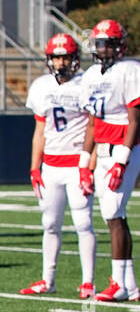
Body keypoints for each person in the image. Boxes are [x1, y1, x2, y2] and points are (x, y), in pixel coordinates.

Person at [20, 34, 96, 298]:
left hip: (77, 164)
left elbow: (94, 127)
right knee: (50, 223)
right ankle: (47, 279)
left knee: (83, 223)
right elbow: (39, 131)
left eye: (65, 57)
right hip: (51, 166)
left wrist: (89, 166)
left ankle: (88, 281)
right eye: (56, 57)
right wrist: (34, 167)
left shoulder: (87, 83)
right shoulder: (41, 86)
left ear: (75, 59)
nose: (60, 62)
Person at [81, 18, 140, 302]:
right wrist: (84, 161)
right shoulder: (91, 75)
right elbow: (91, 123)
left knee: (114, 211)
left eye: (107, 43)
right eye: (99, 43)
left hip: (124, 146)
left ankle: (118, 283)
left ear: (120, 46)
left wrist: (122, 160)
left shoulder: (130, 70)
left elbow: (135, 120)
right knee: (113, 214)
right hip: (102, 148)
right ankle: (129, 284)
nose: (102, 49)